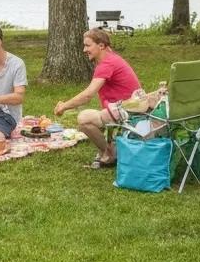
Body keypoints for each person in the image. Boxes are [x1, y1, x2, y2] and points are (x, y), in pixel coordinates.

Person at [54, 29, 143, 169]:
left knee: (84, 118)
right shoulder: (111, 58)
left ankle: (111, 154)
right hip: (132, 107)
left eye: (88, 45)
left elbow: (88, 95)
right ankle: (109, 149)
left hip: (128, 111)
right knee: (88, 122)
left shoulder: (107, 64)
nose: (84, 50)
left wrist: (63, 106)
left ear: (101, 45)